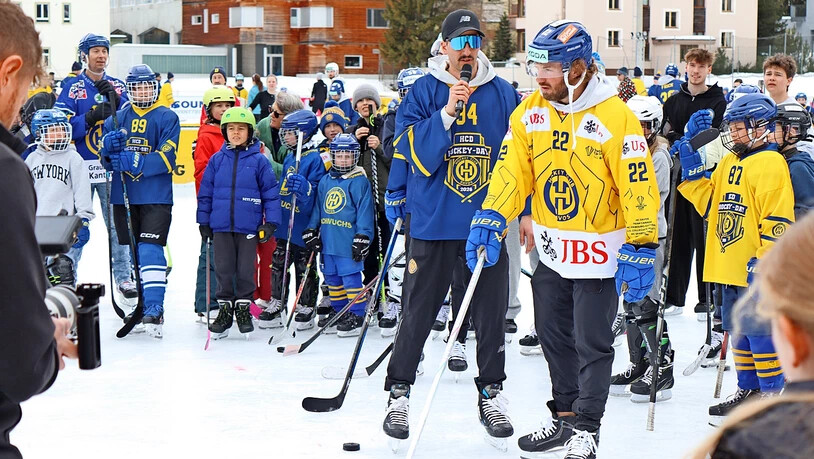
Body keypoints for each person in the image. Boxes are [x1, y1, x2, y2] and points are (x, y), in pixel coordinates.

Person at [468, 20, 659, 458]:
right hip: (553, 252)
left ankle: (588, 430)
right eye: (536, 67)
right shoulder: (529, 112)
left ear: (577, 68)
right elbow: (513, 170)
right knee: (553, 338)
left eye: (549, 68)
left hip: (599, 254)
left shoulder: (615, 116)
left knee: (592, 344)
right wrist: (493, 214)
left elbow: (637, 184)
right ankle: (566, 418)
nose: (540, 77)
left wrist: (642, 243)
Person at [383, 8, 520, 447]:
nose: (467, 49)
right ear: (443, 47)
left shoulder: (503, 93)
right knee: (418, 311)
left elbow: (522, 157)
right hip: (433, 221)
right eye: (459, 41)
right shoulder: (424, 91)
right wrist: (446, 113)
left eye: (474, 41)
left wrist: (526, 212)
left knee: (491, 315)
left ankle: (491, 392)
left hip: (486, 222)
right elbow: (408, 149)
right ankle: (399, 391)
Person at [677, 93, 794, 426]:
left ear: (760, 127)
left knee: (760, 332)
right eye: (732, 127)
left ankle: (771, 393)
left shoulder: (771, 163)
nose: (733, 133)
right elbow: (712, 206)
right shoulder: (730, 160)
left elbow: (778, 220)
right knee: (738, 331)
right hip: (728, 265)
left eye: (740, 127)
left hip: (755, 268)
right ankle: (748, 389)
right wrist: (693, 174)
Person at [0, 4, 78, 456]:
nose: (21, 108)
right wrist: (46, 341)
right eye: (28, 85)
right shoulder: (4, 171)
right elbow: (20, 366)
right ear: (8, 72)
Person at [689, 211, 814, 459]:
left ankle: (769, 392)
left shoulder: (745, 446)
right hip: (735, 258)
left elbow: (782, 213)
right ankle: (751, 390)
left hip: (761, 256)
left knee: (757, 327)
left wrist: (768, 255)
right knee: (741, 326)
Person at [54, 33, 136, 306]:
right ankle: (67, 277)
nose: (101, 55)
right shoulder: (72, 87)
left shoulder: (118, 86)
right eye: (96, 51)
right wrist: (89, 117)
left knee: (117, 224)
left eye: (104, 51)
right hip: (81, 168)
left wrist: (117, 107)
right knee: (76, 224)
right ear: (84, 55)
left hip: (111, 167)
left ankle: (124, 277)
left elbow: (132, 122)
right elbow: (60, 127)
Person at [99, 63, 180, 339]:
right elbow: (106, 162)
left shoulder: (167, 117)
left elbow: (168, 157)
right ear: (130, 90)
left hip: (156, 196)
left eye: (147, 86)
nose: (143, 91)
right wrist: (107, 150)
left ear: (155, 87)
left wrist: (136, 161)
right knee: (135, 253)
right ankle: (143, 304)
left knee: (149, 250)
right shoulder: (117, 119)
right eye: (137, 87)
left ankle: (155, 307)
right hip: (124, 197)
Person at [609, 95, 675, 402]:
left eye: (647, 125)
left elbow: (647, 197)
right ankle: (639, 363)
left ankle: (662, 366)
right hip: (624, 237)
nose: (642, 131)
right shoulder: (622, 150)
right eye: (636, 125)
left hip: (649, 238)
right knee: (630, 302)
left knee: (648, 302)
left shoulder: (658, 156)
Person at [197, 106, 281, 339]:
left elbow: (270, 194)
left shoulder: (259, 161)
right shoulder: (216, 160)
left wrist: (270, 222)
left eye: (241, 129)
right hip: (221, 225)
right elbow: (206, 193)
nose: (236, 133)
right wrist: (203, 221)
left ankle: (243, 309)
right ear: (224, 131)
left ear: (250, 132)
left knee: (245, 269)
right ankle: (225, 311)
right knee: (223, 268)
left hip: (248, 226)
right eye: (231, 128)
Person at [661, 48, 727, 319]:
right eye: (692, 65)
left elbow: (719, 135)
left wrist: (696, 143)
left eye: (701, 66)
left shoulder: (718, 100)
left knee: (704, 238)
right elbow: (664, 133)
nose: (696, 70)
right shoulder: (673, 101)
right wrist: (677, 141)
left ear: (709, 69)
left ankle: (706, 298)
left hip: (705, 177)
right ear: (685, 67)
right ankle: (674, 297)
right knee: (677, 237)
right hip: (678, 176)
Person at [257, 109, 328, 331]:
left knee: (304, 266)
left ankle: (306, 305)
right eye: (285, 133)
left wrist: (305, 189)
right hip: (285, 221)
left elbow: (317, 194)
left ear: (304, 133)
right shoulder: (290, 156)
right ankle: (277, 303)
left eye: (290, 133)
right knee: (279, 263)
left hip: (303, 225)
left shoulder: (315, 158)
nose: (286, 137)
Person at [303, 133, 374, 336]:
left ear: (355, 157)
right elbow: (318, 208)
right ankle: (340, 311)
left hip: (347, 241)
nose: (343, 160)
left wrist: (363, 236)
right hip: (328, 241)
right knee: (332, 278)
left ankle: (357, 314)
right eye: (339, 156)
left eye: (348, 156)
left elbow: (365, 212)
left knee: (350, 279)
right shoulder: (326, 180)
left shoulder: (359, 181)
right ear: (333, 156)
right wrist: (311, 229)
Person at [25, 109, 94, 285]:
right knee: (36, 275)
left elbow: (82, 191)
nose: (60, 134)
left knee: (63, 269)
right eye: (53, 130)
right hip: (37, 225)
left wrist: (84, 219)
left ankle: (65, 299)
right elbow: (25, 194)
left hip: (64, 226)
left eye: (62, 129)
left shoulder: (73, 158)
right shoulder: (31, 159)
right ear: (39, 133)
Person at [193, 86, 236, 319]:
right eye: (219, 106)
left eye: (228, 105)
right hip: (214, 204)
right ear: (209, 109)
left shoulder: (238, 132)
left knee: (234, 253)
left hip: (238, 204)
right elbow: (201, 172)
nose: (224, 110)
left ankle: (233, 300)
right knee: (210, 253)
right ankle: (207, 302)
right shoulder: (207, 135)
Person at [349, 85, 391, 290]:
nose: (365, 104)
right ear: (356, 106)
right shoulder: (351, 131)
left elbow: (397, 162)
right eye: (361, 101)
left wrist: (380, 147)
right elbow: (343, 165)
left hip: (382, 201)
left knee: (384, 247)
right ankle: (369, 287)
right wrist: (354, 143)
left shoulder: (387, 128)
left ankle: (385, 287)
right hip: (360, 203)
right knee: (366, 248)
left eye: (369, 100)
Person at [773, 103, 814, 219]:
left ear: (792, 131)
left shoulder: (798, 167)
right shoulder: (781, 159)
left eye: (774, 128)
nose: (769, 133)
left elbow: (807, 211)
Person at [255, 90, 304, 177]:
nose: (271, 115)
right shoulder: (262, 126)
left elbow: (293, 171)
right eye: (271, 110)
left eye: (276, 114)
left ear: (290, 117)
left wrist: (265, 162)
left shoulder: (300, 136)